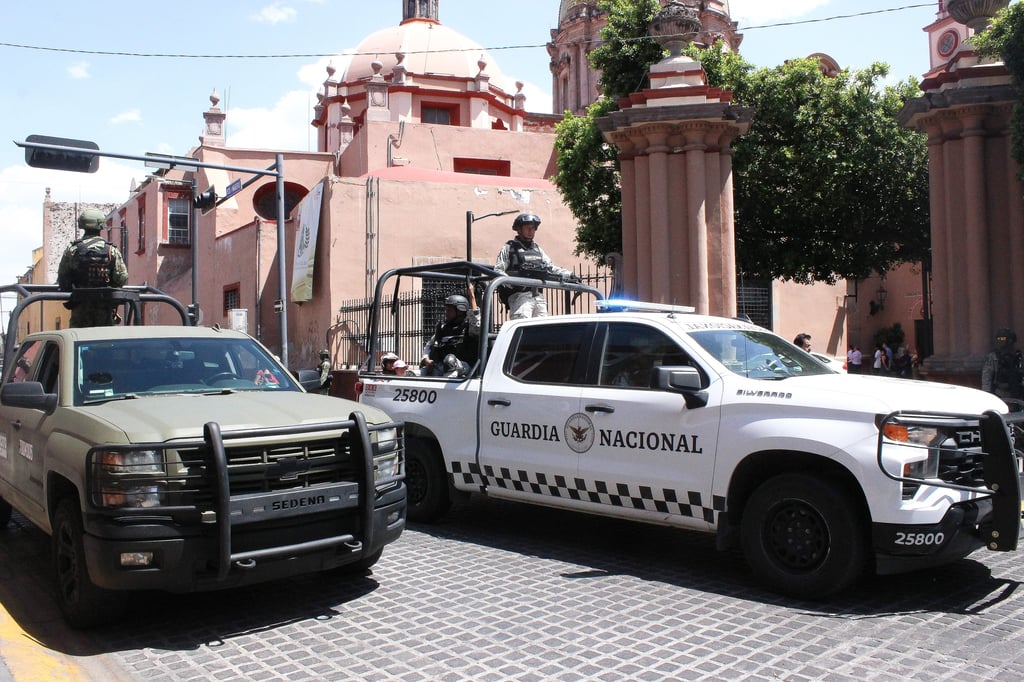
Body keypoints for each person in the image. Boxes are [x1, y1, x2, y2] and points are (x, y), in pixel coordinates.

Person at [493, 213, 577, 319]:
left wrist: (569, 275)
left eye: (533, 228)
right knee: (523, 328)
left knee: (542, 330)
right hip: (520, 297)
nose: (530, 231)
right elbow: (498, 270)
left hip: (538, 297)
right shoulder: (509, 248)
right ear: (519, 229)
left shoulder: (537, 249)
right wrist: (513, 283)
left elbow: (551, 267)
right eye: (527, 228)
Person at [57, 208, 129, 327]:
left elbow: (63, 277)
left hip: (80, 309)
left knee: (78, 340)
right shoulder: (112, 250)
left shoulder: (72, 250)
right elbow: (122, 277)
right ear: (101, 226)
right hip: (105, 309)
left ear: (82, 225)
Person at [420, 287, 480, 377]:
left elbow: (476, 323)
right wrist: (426, 359)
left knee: (449, 361)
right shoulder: (443, 328)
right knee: (414, 374)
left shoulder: (469, 328)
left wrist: (472, 296)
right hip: (441, 367)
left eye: (449, 310)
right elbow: (428, 346)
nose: (446, 313)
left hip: (463, 367)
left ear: (460, 311)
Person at [981, 328, 1023, 401]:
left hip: (1018, 393)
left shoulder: (1019, 357)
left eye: (1002, 338)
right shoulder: (994, 357)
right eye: (998, 338)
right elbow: (987, 377)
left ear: (1010, 340)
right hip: (1000, 393)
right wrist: (987, 394)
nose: (999, 341)